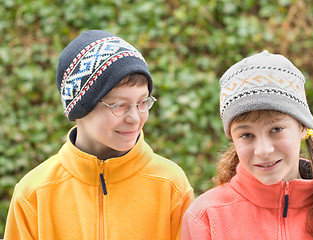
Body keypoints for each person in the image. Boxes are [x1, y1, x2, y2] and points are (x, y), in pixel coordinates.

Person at [4, 30, 193, 240]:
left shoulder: (170, 185)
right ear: (81, 108)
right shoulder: (34, 193)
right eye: (119, 105)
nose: (135, 118)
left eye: (142, 102)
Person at [181, 50, 313, 240]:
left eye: (276, 129)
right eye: (247, 135)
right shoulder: (205, 217)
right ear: (232, 138)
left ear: (302, 127)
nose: (264, 150)